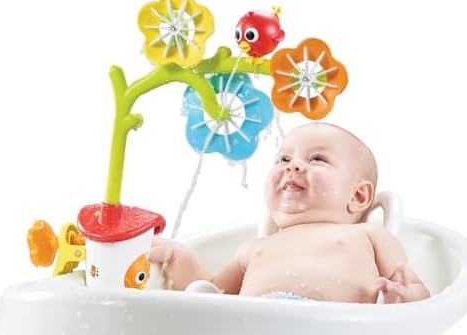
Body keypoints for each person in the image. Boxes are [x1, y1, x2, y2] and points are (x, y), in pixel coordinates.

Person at [150, 123, 430, 303]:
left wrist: (405, 295)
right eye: (283, 159)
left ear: (358, 196)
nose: (292, 166)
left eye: (317, 159)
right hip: (252, 333)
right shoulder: (254, 248)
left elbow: (418, 291)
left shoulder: (368, 235)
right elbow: (211, 294)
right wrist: (178, 257)